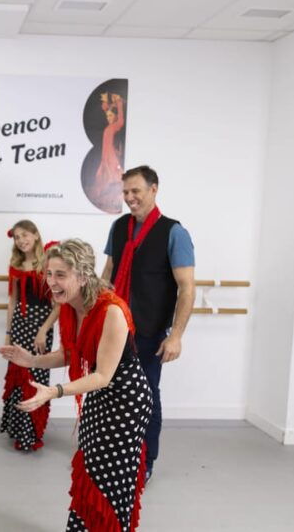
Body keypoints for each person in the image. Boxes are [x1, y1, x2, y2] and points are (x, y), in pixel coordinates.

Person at [0, 239, 152, 532]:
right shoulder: (70, 306)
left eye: (60, 275)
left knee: (111, 478)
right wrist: (31, 360)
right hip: (97, 394)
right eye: (48, 273)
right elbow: (70, 354)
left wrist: (55, 391)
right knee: (90, 469)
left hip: (125, 401)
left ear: (82, 276)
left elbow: (104, 375)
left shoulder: (112, 311)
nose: (51, 282)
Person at [101, 165, 195, 483]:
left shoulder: (174, 232)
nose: (129, 198)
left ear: (154, 189)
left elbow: (187, 288)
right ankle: (114, 453)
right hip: (114, 330)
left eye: (136, 191)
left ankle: (145, 460)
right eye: (125, 192)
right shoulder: (118, 228)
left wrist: (176, 336)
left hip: (149, 333)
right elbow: (108, 274)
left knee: (146, 396)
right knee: (109, 391)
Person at [0, 220, 59, 451]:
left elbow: (59, 304)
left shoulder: (48, 262)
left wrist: (44, 330)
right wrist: (8, 334)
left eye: (25, 235)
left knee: (36, 377)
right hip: (19, 325)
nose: (21, 240)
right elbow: (13, 301)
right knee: (18, 375)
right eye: (17, 237)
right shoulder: (16, 265)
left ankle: (31, 432)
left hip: (41, 326)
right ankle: (17, 428)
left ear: (35, 235)